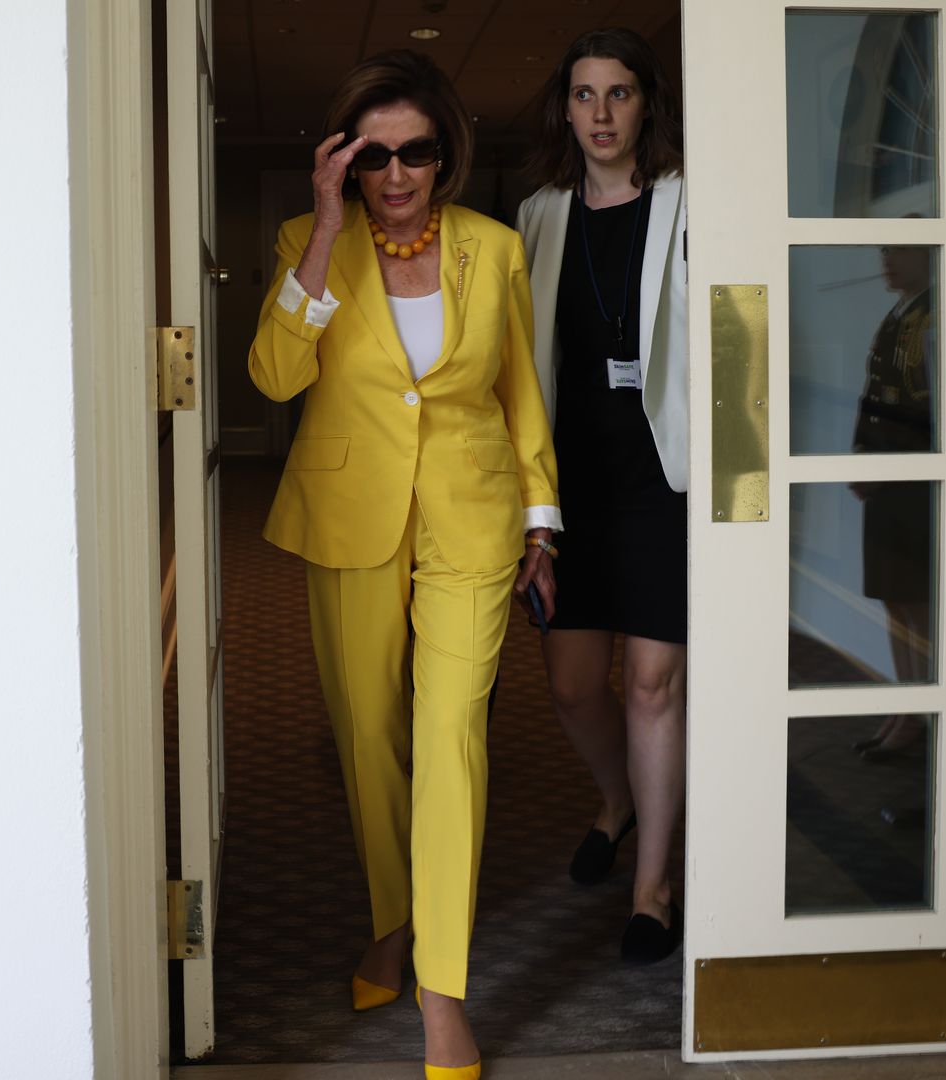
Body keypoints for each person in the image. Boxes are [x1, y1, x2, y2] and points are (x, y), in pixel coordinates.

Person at [248, 50, 559, 1080]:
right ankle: (391, 920)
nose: (395, 173)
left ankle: (441, 993)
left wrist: (542, 521)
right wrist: (328, 230)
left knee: (452, 741)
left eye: (414, 152)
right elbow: (274, 374)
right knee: (369, 739)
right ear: (343, 158)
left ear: (444, 154)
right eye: (372, 154)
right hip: (348, 517)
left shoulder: (493, 248)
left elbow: (520, 391)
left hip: (472, 522)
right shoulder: (310, 242)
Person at [514, 27, 690, 965]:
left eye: (619, 93)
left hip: (662, 479)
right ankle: (616, 802)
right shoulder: (538, 214)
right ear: (565, 110)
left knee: (654, 687)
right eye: (585, 95)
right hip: (571, 484)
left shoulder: (687, 202)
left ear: (645, 104)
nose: (602, 114)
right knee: (576, 684)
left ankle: (653, 887)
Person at [851, 243, 936, 759]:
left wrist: (881, 466)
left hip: (910, 482)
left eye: (897, 251)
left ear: (925, 257)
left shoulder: (935, 315)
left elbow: (930, 410)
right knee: (894, 600)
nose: (885, 259)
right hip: (882, 477)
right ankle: (904, 708)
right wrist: (860, 456)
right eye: (882, 250)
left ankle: (921, 713)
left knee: (916, 602)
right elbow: (872, 395)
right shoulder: (896, 316)